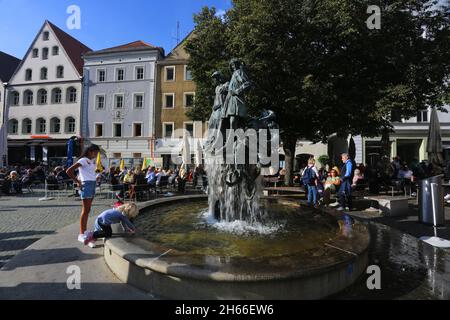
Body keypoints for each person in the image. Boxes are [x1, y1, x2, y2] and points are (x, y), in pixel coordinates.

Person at [66, 144, 100, 244]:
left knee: (88, 209)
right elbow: (69, 171)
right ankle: (81, 234)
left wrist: (96, 177)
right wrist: (77, 181)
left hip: (92, 184)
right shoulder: (83, 160)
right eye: (96, 152)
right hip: (86, 185)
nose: (96, 154)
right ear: (90, 151)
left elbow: (88, 173)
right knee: (85, 210)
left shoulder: (91, 161)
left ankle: (84, 231)